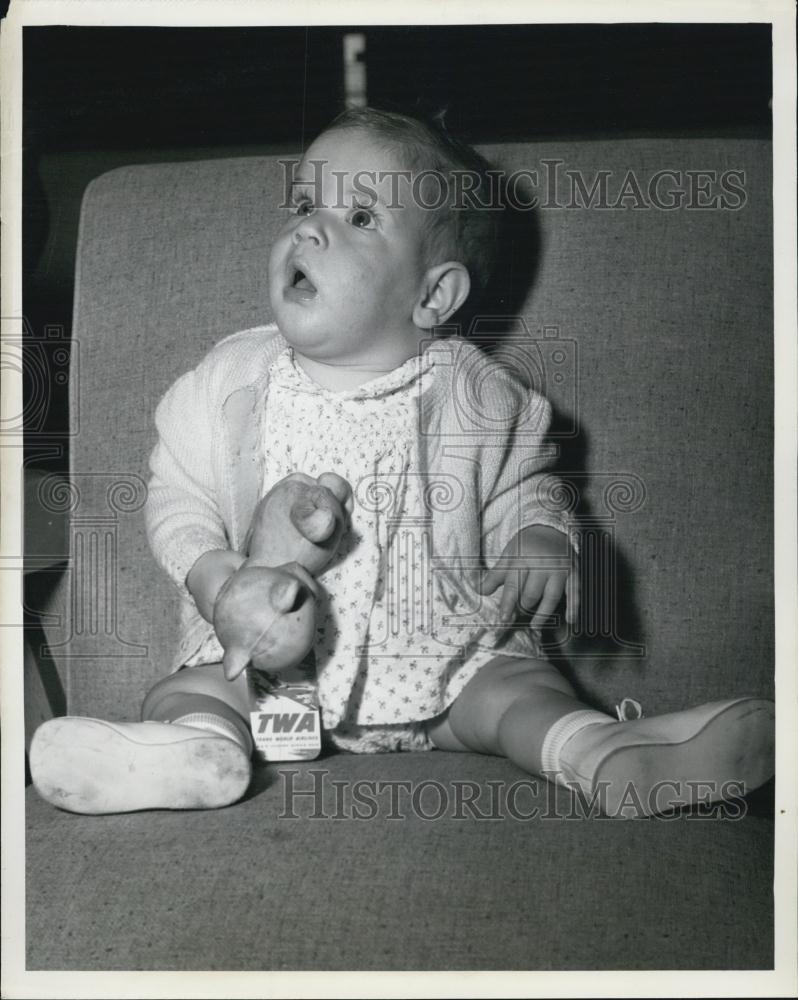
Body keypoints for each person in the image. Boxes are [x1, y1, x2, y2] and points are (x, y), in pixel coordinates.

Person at [30, 107, 774, 818]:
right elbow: (177, 493)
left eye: (358, 218)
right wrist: (210, 573)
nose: (309, 230)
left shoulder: (477, 394)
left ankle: (604, 752)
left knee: (520, 690)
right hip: (260, 666)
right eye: (300, 206)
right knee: (191, 687)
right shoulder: (230, 379)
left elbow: (527, 483)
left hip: (446, 663)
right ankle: (196, 752)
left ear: (434, 294)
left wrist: (542, 535)